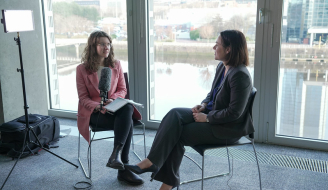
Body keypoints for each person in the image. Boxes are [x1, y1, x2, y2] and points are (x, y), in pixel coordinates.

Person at [125, 30, 255, 190]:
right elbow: (212, 94)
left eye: (218, 44)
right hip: (213, 115)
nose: (213, 47)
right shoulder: (223, 67)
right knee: (174, 114)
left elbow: (235, 113)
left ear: (229, 49)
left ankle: (165, 181)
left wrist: (207, 118)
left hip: (227, 129)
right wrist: (203, 105)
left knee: (177, 134)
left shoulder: (240, 75)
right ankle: (152, 163)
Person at [76, 31, 144, 185]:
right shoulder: (81, 69)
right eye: (102, 44)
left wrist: (112, 99)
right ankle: (123, 168)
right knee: (128, 121)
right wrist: (98, 106)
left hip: (115, 109)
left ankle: (116, 155)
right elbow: (83, 98)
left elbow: (122, 90)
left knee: (127, 108)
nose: (106, 47)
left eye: (108, 44)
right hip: (94, 113)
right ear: (93, 47)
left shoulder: (116, 64)